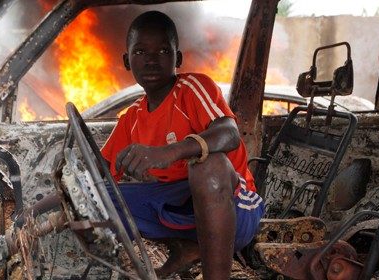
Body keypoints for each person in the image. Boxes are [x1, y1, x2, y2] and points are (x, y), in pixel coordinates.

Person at [101, 11, 264, 279]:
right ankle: (190, 247)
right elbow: (98, 171)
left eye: (163, 50)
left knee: (208, 165)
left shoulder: (191, 89)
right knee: (94, 197)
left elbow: (229, 133)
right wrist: (39, 209)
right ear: (126, 61)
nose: (152, 60)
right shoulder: (131, 117)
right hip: (177, 212)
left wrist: (169, 152)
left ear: (177, 58)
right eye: (140, 52)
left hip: (233, 210)